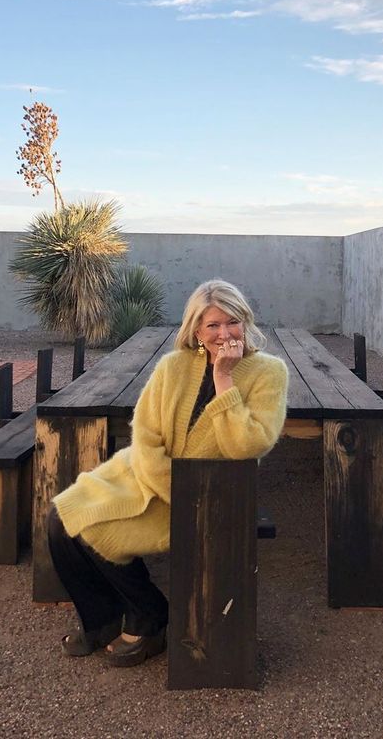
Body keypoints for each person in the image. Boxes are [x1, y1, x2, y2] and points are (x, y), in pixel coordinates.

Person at [47, 278, 289, 667]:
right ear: (196, 330)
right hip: (146, 474)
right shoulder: (173, 366)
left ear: (245, 322)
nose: (224, 333)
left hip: (209, 492)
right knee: (59, 518)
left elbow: (248, 447)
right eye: (212, 325)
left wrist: (224, 379)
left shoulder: (267, 373)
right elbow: (145, 432)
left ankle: (147, 617)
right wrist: (164, 482)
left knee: (94, 530)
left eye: (232, 322)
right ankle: (104, 619)